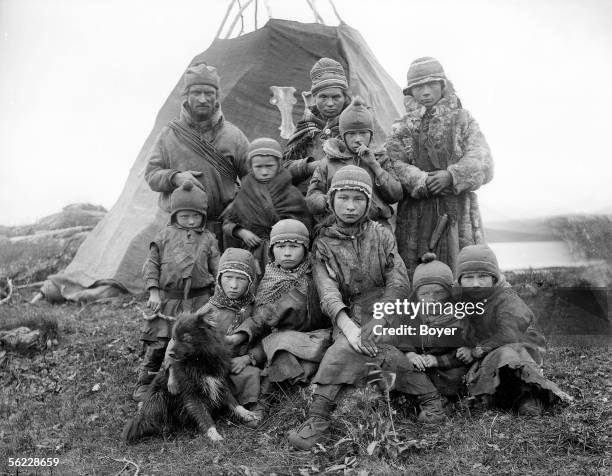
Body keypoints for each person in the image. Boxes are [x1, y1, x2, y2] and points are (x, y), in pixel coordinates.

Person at [288, 166, 445, 450]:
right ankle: (318, 420)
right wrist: (348, 328)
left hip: (385, 310)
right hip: (347, 313)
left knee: (380, 345)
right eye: (343, 198)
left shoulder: (382, 234)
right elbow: (327, 291)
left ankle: (431, 400)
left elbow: (398, 280)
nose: (350, 206)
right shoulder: (322, 242)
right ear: (332, 199)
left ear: (369, 201)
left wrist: (381, 319)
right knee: (346, 347)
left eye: (358, 199)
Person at [385, 57, 494, 278]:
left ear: (443, 85)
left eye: (431, 84)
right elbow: (393, 163)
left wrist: (452, 176)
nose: (425, 92)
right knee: (418, 279)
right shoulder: (401, 127)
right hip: (416, 216)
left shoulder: (463, 120)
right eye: (418, 87)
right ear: (410, 92)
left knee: (464, 275)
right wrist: (422, 181)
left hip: (457, 211)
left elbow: (483, 158)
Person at [227, 219, 333, 422]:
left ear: (305, 248)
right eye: (280, 247)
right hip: (282, 343)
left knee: (302, 356)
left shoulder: (318, 273)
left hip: (318, 337)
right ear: (271, 250)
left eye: (294, 247)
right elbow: (262, 323)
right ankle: (263, 402)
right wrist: (243, 344)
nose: (286, 253)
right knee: (280, 350)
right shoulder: (268, 282)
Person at [454, 245, 572, 415]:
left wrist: (475, 351)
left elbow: (509, 334)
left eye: (483, 276)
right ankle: (491, 397)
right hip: (487, 350)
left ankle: (531, 397)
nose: (476, 283)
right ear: (459, 280)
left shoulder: (506, 298)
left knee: (507, 357)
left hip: (518, 348)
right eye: (468, 277)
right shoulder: (460, 298)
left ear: (494, 279)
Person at [145, 63, 250, 249]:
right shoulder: (169, 135)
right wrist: (175, 177)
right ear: (186, 96)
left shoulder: (234, 136)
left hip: (223, 232)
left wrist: (237, 207)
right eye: (197, 93)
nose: (203, 99)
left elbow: (253, 179)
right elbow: (152, 175)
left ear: (217, 97)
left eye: (209, 93)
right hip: (180, 230)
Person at [135, 181, 220, 400]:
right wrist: (154, 292)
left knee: (196, 343)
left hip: (199, 301)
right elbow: (151, 265)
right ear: (175, 215)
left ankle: (193, 383)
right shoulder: (163, 236)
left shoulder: (209, 238)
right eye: (184, 216)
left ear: (203, 215)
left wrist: (219, 293)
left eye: (196, 216)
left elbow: (217, 268)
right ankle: (146, 382)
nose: (191, 221)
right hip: (169, 301)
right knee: (159, 343)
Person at [163, 247, 263, 412]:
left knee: (257, 374)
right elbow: (177, 342)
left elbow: (265, 334)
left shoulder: (256, 307)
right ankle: (239, 407)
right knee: (237, 378)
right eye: (228, 277)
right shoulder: (207, 312)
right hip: (214, 366)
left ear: (251, 281)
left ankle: (254, 406)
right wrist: (172, 374)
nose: (234, 285)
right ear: (219, 278)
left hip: (245, 361)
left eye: (241, 279)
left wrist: (248, 357)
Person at [306, 97, 402, 226]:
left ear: (371, 135)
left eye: (363, 133)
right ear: (343, 136)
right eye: (352, 134)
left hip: (375, 226)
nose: (358, 139)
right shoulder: (328, 161)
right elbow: (312, 199)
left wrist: (374, 165)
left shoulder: (381, 159)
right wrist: (330, 200)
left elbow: (396, 195)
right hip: (336, 227)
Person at [222, 139, 312, 275]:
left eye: (269, 166)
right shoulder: (245, 194)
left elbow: (305, 229)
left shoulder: (291, 195)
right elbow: (228, 222)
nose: (264, 172)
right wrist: (240, 231)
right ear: (251, 167)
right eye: (258, 167)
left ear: (279, 164)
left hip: (285, 255)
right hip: (252, 255)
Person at [388, 253, 469, 404]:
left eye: (439, 293)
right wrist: (411, 354)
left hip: (446, 368)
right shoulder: (410, 314)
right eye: (424, 294)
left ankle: (448, 400)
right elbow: (403, 337)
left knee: (458, 375)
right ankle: (425, 399)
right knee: (404, 370)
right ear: (416, 295)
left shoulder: (458, 317)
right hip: (421, 367)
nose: (432, 299)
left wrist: (437, 361)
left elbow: (461, 353)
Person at [282, 58, 352, 193]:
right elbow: (284, 169)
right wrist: (309, 166)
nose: (330, 103)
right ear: (315, 97)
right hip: (305, 202)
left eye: (336, 97)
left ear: (345, 97)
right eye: (323, 97)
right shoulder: (306, 126)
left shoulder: (357, 125)